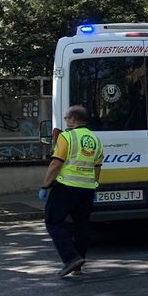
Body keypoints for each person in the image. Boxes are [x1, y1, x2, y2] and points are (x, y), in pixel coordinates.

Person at [40, 105, 104, 278]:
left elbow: (56, 163)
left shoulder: (67, 137)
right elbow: (98, 167)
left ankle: (70, 258)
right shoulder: (95, 139)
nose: (66, 121)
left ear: (73, 119)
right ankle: (78, 262)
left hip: (66, 187)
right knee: (81, 226)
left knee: (53, 221)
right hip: (87, 189)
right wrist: (94, 185)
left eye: (67, 118)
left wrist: (45, 185)